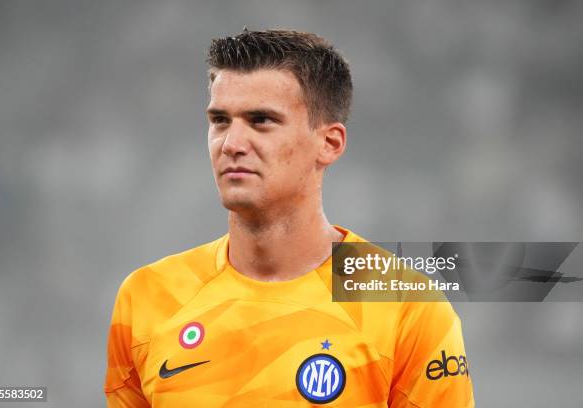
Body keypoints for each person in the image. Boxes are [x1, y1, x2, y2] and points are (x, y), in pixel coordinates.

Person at [104, 29, 475, 407]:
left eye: (261, 120)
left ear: (329, 144)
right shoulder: (147, 296)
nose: (231, 144)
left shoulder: (405, 306)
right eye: (219, 120)